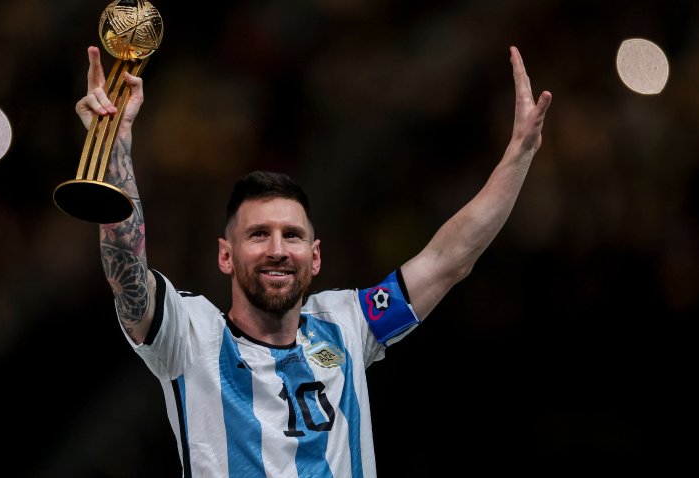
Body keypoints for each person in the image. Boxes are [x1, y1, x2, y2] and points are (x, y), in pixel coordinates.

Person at [74, 44, 551, 476]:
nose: (278, 249)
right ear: (225, 255)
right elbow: (126, 266)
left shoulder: (348, 322)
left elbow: (450, 258)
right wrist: (114, 147)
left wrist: (520, 154)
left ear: (315, 256)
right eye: (258, 235)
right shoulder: (189, 336)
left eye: (293, 236)